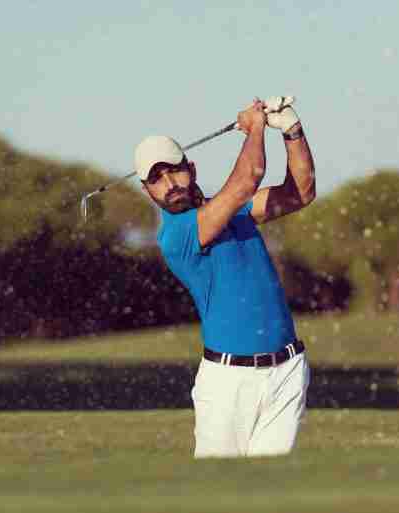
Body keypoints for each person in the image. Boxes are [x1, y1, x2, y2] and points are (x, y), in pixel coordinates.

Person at [134, 96, 316, 458]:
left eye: (173, 169)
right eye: (156, 179)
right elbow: (249, 177)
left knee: (269, 493)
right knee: (218, 494)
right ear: (147, 191)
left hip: (287, 371)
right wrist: (256, 126)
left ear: (193, 168)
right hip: (228, 383)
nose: (168, 183)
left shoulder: (235, 212)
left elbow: (302, 192)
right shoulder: (177, 236)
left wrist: (292, 131)